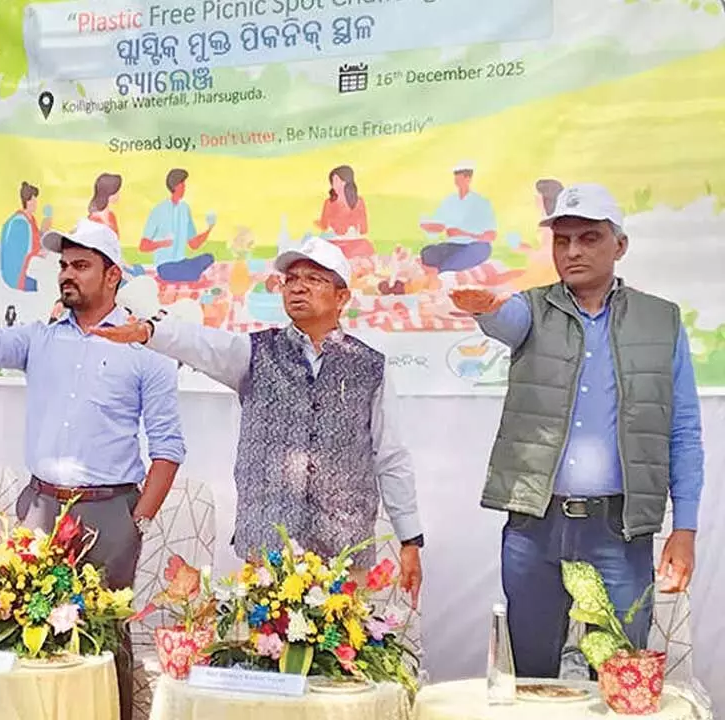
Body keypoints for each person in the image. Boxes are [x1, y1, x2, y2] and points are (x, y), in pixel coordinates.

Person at [0, 218, 185, 718]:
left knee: (102, 635)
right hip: (39, 508)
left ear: (112, 275)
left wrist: (137, 523)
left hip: (110, 512)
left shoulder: (146, 351)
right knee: (28, 624)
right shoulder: (42, 338)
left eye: (81, 265)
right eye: (64, 265)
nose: (67, 275)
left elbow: (168, 449)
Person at [450, 183, 704, 678]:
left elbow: (684, 430)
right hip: (535, 527)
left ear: (620, 245)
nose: (572, 251)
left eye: (589, 238)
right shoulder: (531, 309)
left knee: (618, 678)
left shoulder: (661, 321)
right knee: (533, 680)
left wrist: (685, 528)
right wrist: (485, 308)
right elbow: (504, 320)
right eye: (562, 240)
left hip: (619, 530)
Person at [91, 236, 425, 606]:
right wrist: (148, 332)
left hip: (343, 558)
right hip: (268, 555)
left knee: (342, 643)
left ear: (342, 297)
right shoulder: (254, 354)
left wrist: (409, 539)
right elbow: (201, 343)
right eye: (291, 279)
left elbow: (390, 455)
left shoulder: (369, 366)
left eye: (314, 279)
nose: (298, 287)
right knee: (264, 643)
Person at [419, 161, 498, 274]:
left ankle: (442, 270)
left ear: (468, 179)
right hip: (453, 245)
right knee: (428, 253)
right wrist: (428, 226)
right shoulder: (450, 201)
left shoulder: (481, 203)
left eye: (460, 177)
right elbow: (441, 226)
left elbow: (491, 236)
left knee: (470, 253)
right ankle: (444, 268)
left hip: (475, 245)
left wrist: (464, 233)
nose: (457, 181)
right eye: (456, 177)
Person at [140, 168, 217, 282]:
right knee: (190, 272)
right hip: (165, 266)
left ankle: (191, 274)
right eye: (182, 184)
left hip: (182, 262)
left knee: (208, 258)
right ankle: (191, 275)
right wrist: (162, 243)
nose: (185, 188)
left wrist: (210, 228)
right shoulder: (159, 210)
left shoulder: (185, 209)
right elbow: (143, 246)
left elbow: (194, 244)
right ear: (175, 186)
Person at [0, 181, 53, 292]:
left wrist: (46, 224)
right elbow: (23, 250)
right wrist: (41, 252)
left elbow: (37, 240)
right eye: (34, 200)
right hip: (18, 276)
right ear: (27, 201)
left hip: (27, 267)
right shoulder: (20, 223)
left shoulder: (30, 219)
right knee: (48, 282)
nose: (36, 203)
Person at [316, 165, 373, 258]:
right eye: (333, 181)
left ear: (346, 181)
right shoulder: (329, 203)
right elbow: (325, 225)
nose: (334, 184)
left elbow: (364, 229)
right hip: (338, 244)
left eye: (337, 180)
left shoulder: (358, 202)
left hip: (349, 245)